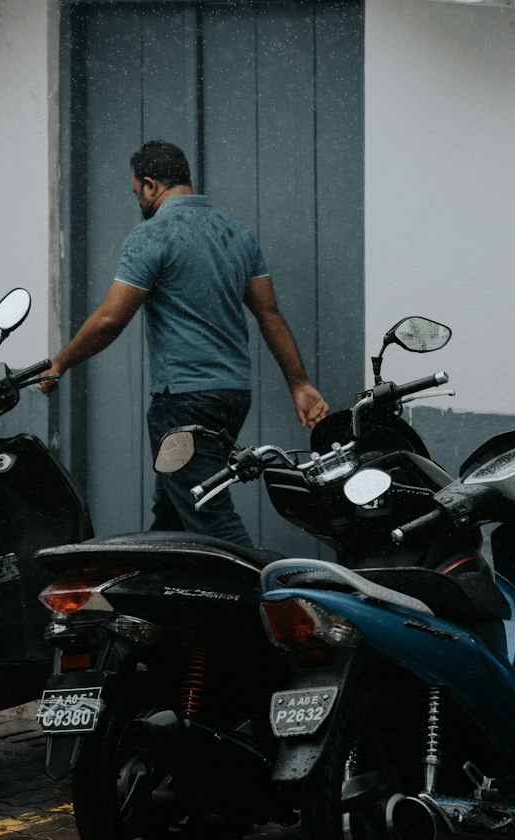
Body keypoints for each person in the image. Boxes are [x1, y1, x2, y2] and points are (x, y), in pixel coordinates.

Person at [39, 139, 329, 547]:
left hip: (183, 404)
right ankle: (154, 597)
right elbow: (270, 314)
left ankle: (266, 597)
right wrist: (299, 383)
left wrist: (60, 362)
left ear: (151, 185)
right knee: (173, 514)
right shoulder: (238, 236)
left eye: (136, 189)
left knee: (208, 513)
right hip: (230, 398)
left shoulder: (151, 237)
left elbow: (109, 319)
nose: (136, 198)